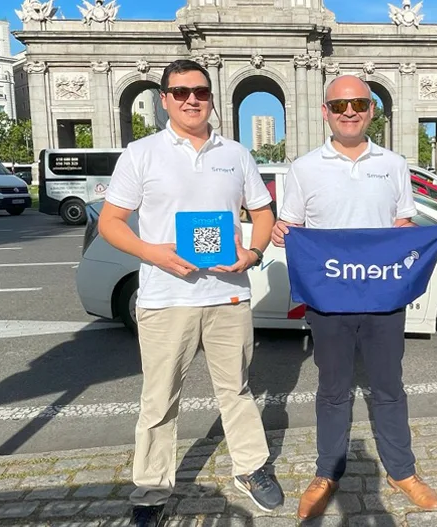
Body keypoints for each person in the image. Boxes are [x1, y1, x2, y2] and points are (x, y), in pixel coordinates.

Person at [98, 59, 283, 527]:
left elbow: (263, 212)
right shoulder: (141, 154)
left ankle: (250, 467)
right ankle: (151, 490)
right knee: (159, 399)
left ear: (211, 98)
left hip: (228, 294)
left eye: (200, 91)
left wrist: (253, 253)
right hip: (165, 297)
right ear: (164, 99)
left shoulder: (236, 154)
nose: (191, 99)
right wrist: (152, 253)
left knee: (237, 390)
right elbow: (110, 222)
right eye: (180, 92)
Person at [271, 74, 437, 521]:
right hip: (329, 299)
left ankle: (402, 472)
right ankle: (327, 473)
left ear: (372, 110)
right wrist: (280, 231)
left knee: (389, 387)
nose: (349, 112)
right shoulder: (305, 168)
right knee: (333, 391)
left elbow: (401, 226)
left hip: (383, 296)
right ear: (325, 112)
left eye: (358, 104)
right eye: (339, 105)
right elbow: (292, 226)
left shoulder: (393, 164)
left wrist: (431, 237)